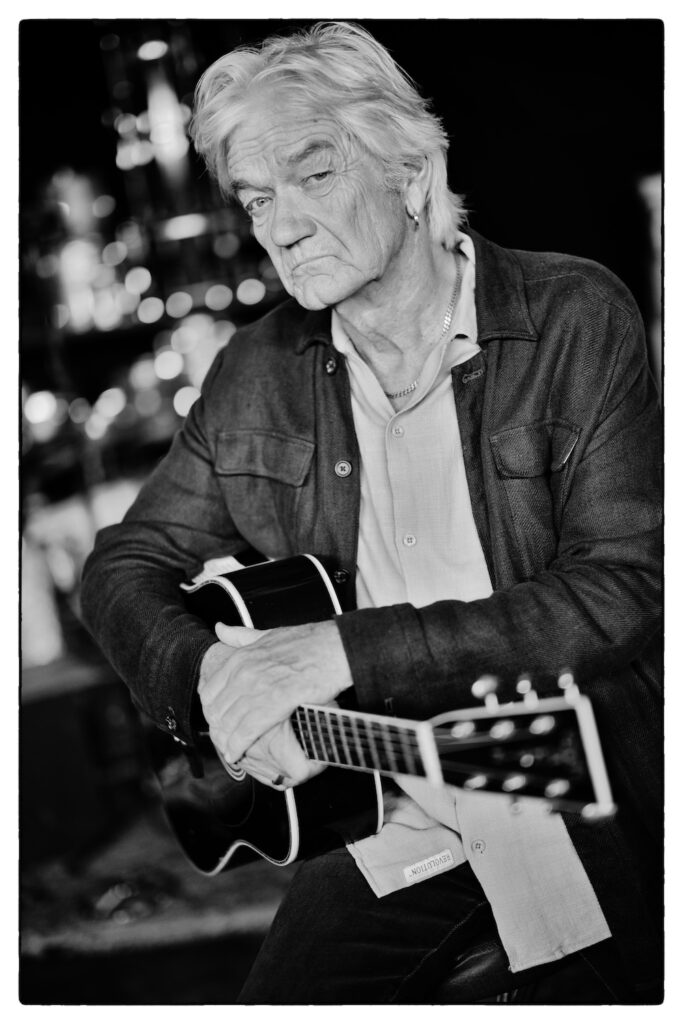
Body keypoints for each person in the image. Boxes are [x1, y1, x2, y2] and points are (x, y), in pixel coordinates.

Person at [81, 21, 662, 1004]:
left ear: (411, 172)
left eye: (312, 176)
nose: (280, 226)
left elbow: (624, 587)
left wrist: (337, 652)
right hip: (391, 813)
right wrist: (215, 680)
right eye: (257, 198)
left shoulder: (571, 315)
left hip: (577, 799)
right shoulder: (256, 371)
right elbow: (118, 567)